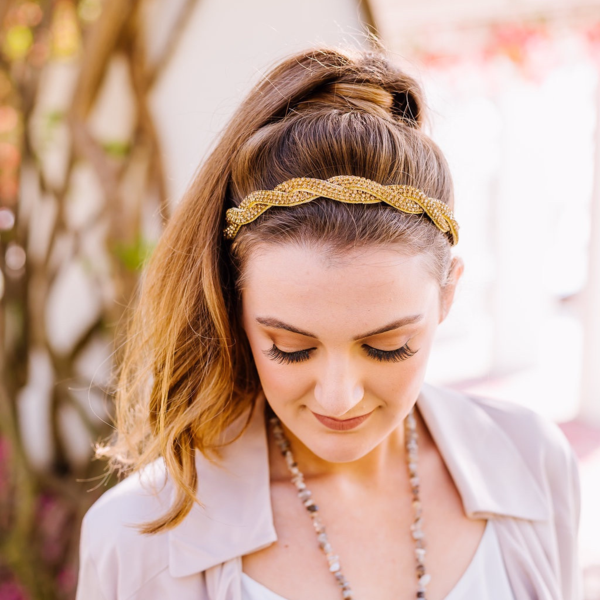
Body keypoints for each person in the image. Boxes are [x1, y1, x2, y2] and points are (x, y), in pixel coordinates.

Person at [75, 45, 582, 600]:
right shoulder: (135, 542)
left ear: (448, 294)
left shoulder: (533, 461)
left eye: (389, 346)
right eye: (290, 347)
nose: (339, 399)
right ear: (234, 304)